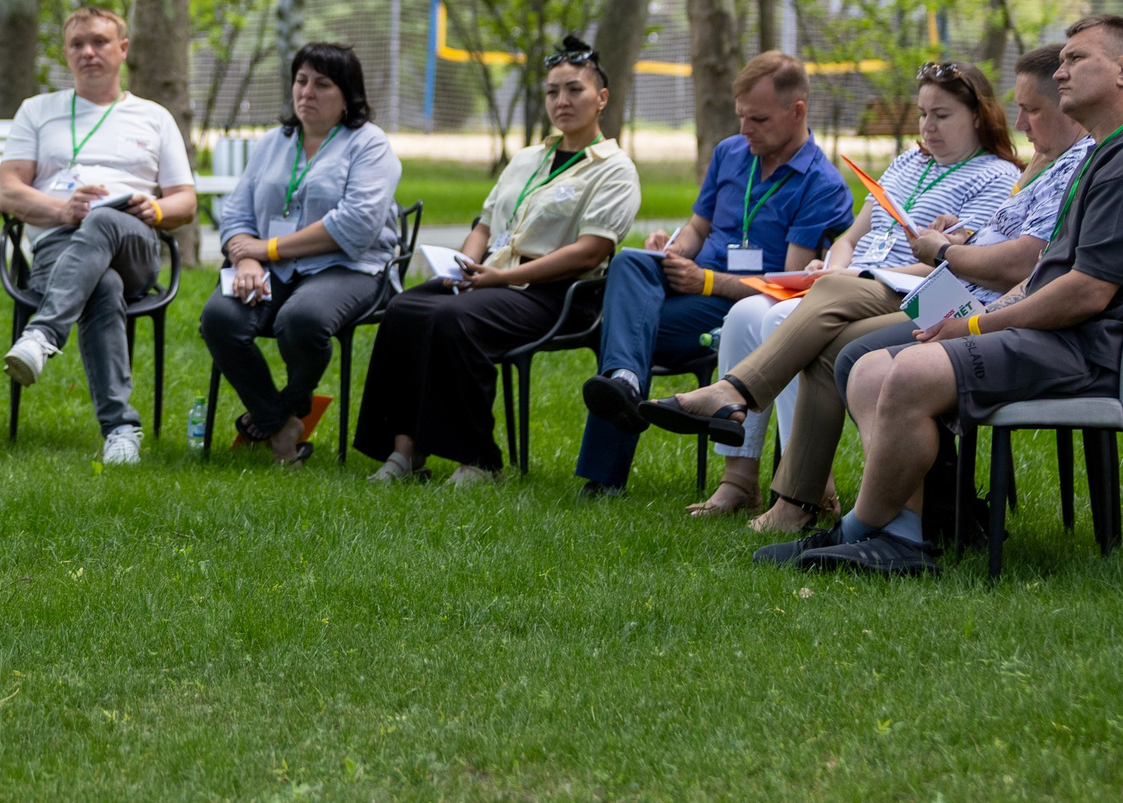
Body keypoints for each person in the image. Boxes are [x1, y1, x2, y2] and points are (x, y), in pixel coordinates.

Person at [764, 13, 1123, 575]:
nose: (1061, 72)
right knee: (872, 368)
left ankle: (859, 530)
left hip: (1088, 349)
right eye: (1063, 61)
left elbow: (1087, 294)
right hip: (1058, 335)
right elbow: (1055, 273)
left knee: (908, 372)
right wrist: (985, 311)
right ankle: (900, 533)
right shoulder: (1110, 151)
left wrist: (974, 324)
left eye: (1075, 60)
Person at [646, 60, 1021, 523]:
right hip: (859, 283)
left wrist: (848, 278)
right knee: (746, 313)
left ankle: (777, 450)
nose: (928, 127)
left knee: (781, 318)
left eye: (941, 116)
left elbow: (951, 260)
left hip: (927, 291)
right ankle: (738, 480)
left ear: (979, 116)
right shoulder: (908, 163)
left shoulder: (995, 176)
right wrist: (835, 267)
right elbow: (851, 236)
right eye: (922, 114)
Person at [353, 37, 636, 485]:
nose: (561, 101)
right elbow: (484, 226)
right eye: (552, 91)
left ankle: (478, 460)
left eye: (574, 90)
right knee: (404, 310)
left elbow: (590, 251)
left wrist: (500, 277)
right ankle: (406, 452)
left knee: (454, 320)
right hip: (490, 278)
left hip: (557, 294)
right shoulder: (528, 158)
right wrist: (461, 268)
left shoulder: (614, 168)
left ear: (601, 98)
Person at [575, 50, 855, 496]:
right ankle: (626, 383)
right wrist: (674, 249)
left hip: (742, 310)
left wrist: (707, 282)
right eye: (741, 116)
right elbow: (699, 226)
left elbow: (791, 282)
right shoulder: (730, 153)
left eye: (758, 119)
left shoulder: (821, 183)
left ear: (796, 110)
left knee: (625, 330)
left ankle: (605, 469)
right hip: (691, 291)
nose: (745, 130)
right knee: (630, 262)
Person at [0, 6, 200, 465]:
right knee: (101, 284)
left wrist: (157, 207)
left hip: (133, 244)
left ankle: (42, 335)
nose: (89, 52)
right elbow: (8, 191)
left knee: (105, 221)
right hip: (58, 247)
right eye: (77, 44)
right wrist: (61, 209)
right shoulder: (37, 111)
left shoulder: (154, 116)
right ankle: (121, 430)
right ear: (66, 55)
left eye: (100, 42)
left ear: (122, 49)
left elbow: (186, 203)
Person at [202, 42, 404, 466]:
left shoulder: (370, 145)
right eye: (301, 80)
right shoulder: (275, 141)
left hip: (350, 266)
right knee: (219, 319)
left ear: (348, 94)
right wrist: (249, 260)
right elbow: (237, 212)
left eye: (322, 84)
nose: (307, 92)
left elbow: (355, 224)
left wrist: (267, 248)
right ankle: (281, 424)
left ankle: (283, 409)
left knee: (302, 320)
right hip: (273, 267)